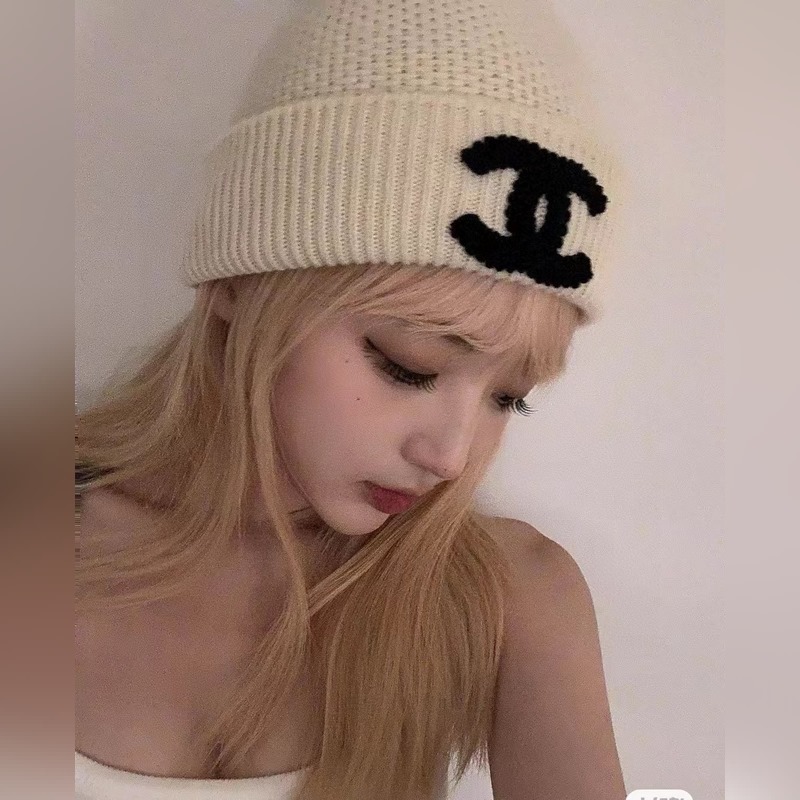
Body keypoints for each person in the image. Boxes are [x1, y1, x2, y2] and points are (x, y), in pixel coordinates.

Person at [75, 1, 627, 798]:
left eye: (509, 398)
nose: (450, 455)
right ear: (236, 283)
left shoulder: (510, 602)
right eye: (408, 366)